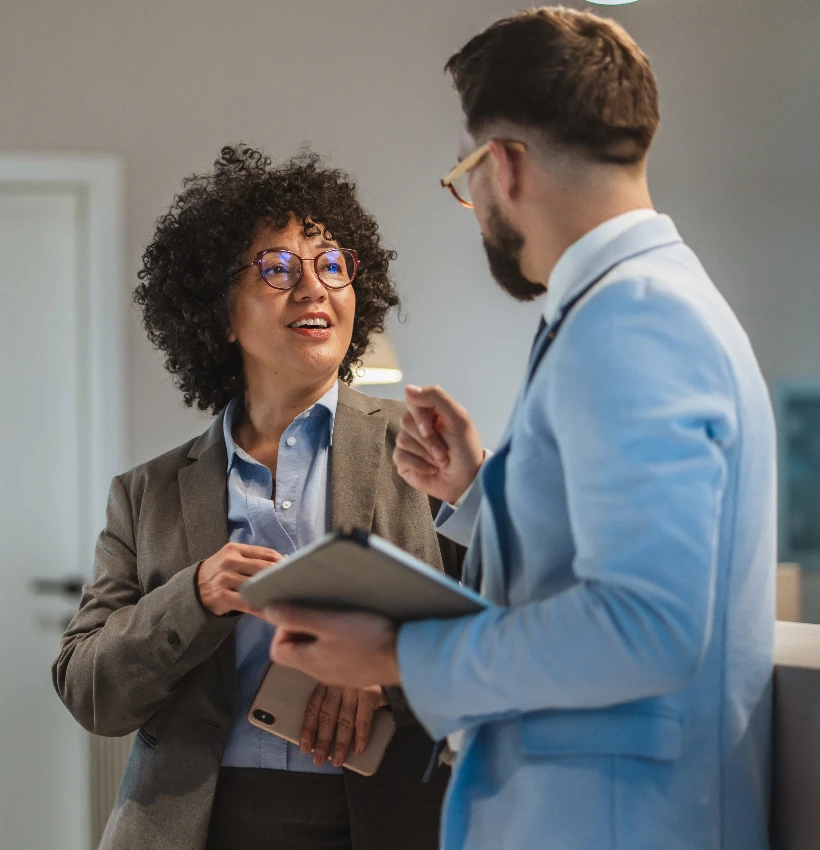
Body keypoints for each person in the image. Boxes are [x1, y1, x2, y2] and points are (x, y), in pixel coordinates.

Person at [263, 9, 776, 850]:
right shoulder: (634, 305)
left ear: (503, 164)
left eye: (465, 175)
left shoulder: (635, 318)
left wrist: (400, 653)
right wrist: (477, 491)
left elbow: (650, 625)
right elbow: (603, 552)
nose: (475, 204)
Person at [52, 145, 461, 850]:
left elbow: (505, 631)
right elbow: (91, 689)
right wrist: (196, 596)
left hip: (393, 820)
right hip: (200, 826)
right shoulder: (145, 494)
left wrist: (383, 673)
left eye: (332, 264)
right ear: (222, 316)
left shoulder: (424, 450)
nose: (314, 289)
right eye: (278, 269)